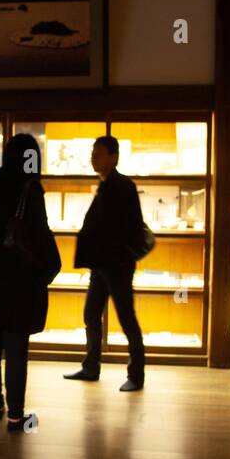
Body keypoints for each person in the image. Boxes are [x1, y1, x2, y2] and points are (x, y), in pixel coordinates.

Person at [0, 135, 61, 431]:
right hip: (19, 280)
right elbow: (40, 234)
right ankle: (16, 415)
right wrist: (48, 267)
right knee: (17, 347)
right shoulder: (30, 189)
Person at [67, 136, 147, 391]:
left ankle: (136, 375)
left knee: (126, 319)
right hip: (103, 264)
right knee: (91, 314)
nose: (93, 157)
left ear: (114, 157)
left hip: (116, 264)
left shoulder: (121, 186)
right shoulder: (107, 184)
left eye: (99, 153)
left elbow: (124, 228)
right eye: (93, 153)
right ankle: (91, 366)